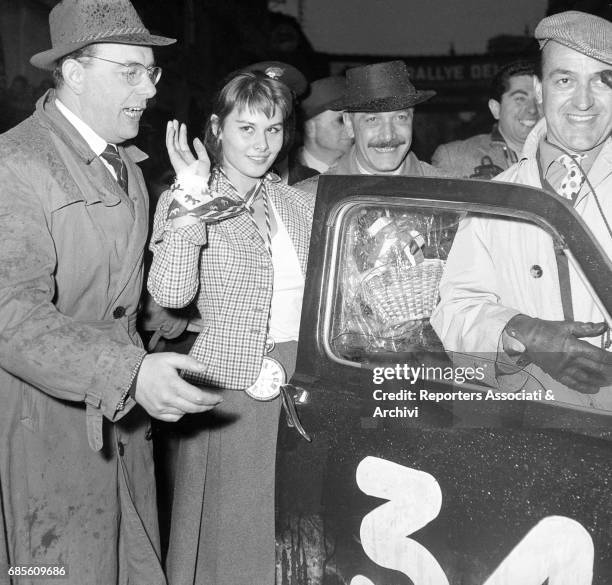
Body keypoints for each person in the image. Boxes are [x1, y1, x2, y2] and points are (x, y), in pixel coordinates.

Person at [0, 1, 221, 584]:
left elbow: (120, 293)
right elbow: (10, 316)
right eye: (131, 70)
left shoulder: (123, 165)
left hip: (119, 430)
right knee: (57, 569)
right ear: (74, 72)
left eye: (152, 72)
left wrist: (192, 322)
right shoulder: (16, 164)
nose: (148, 89)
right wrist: (129, 373)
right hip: (41, 428)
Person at [148, 70, 314, 585]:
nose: (262, 144)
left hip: (301, 377)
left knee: (297, 527)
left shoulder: (296, 202)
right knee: (234, 535)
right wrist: (192, 193)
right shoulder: (189, 196)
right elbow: (171, 292)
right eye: (247, 128)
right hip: (230, 381)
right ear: (217, 128)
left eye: (273, 129)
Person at [431, 11, 612, 407]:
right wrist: (518, 332)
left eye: (602, 81)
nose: (583, 100)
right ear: (540, 90)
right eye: (565, 80)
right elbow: (456, 312)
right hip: (530, 427)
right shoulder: (496, 199)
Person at [297, 60, 446, 195]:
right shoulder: (308, 200)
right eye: (372, 119)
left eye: (400, 118)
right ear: (349, 124)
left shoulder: (450, 193)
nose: (388, 136)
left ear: (412, 119)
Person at [432, 60, 540, 179]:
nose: (533, 109)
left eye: (540, 99)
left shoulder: (561, 158)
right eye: (520, 98)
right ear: (496, 108)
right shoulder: (454, 159)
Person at [287, 75, 352, 184]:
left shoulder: (363, 170)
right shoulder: (284, 175)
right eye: (341, 120)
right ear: (311, 128)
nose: (351, 127)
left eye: (352, 119)